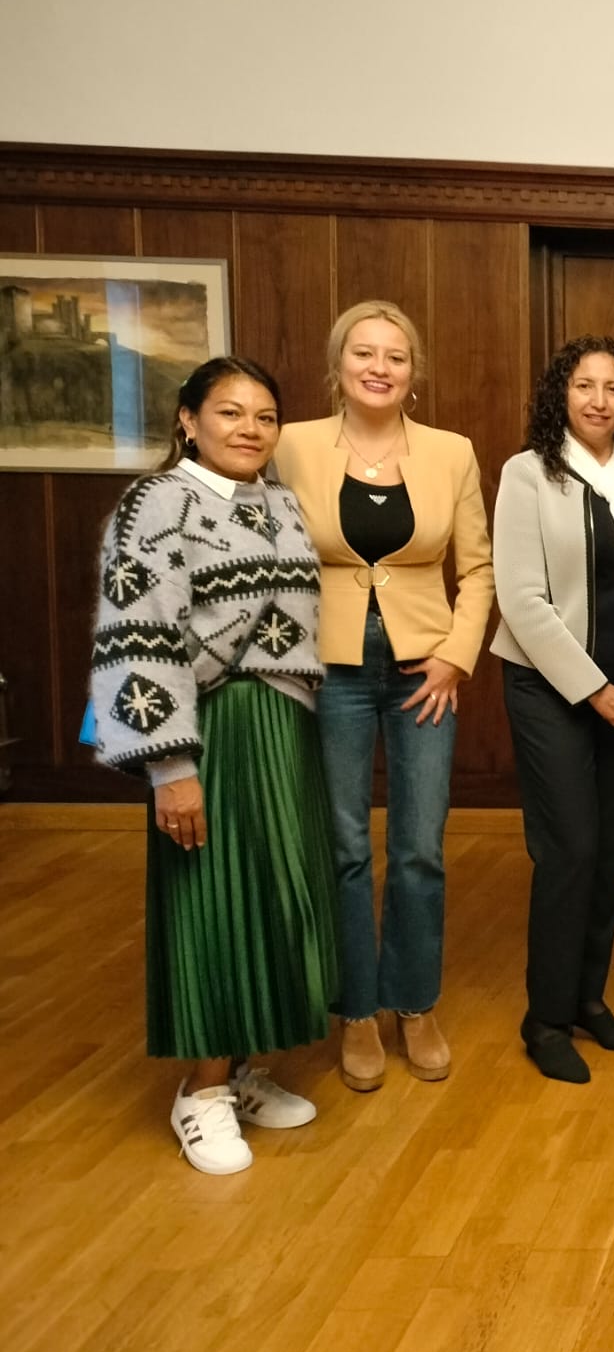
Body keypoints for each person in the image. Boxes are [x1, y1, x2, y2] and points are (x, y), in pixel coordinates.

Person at [90, 357, 337, 1174]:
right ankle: (198, 1093)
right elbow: (137, 637)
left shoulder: (278, 502)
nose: (249, 429)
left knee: (274, 895)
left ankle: (240, 1072)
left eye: (265, 416)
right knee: (208, 901)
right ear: (188, 420)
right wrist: (171, 770)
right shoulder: (154, 505)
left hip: (283, 727)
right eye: (229, 413)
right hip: (212, 732)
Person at [274, 300, 494, 1092]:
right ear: (337, 367)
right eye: (363, 353)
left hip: (422, 670)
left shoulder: (451, 452)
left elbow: (478, 569)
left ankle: (414, 1000)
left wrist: (456, 659)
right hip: (325, 666)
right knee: (341, 844)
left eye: (395, 356)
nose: (379, 366)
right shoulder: (292, 444)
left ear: (414, 373)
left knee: (420, 844)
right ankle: (356, 1008)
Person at [493, 335, 614, 1084]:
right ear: (559, 397)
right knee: (567, 852)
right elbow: (523, 600)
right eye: (584, 386)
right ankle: (544, 1019)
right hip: (554, 693)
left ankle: (586, 1000)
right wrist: (596, 689)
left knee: (607, 853)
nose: (599, 400)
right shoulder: (528, 473)